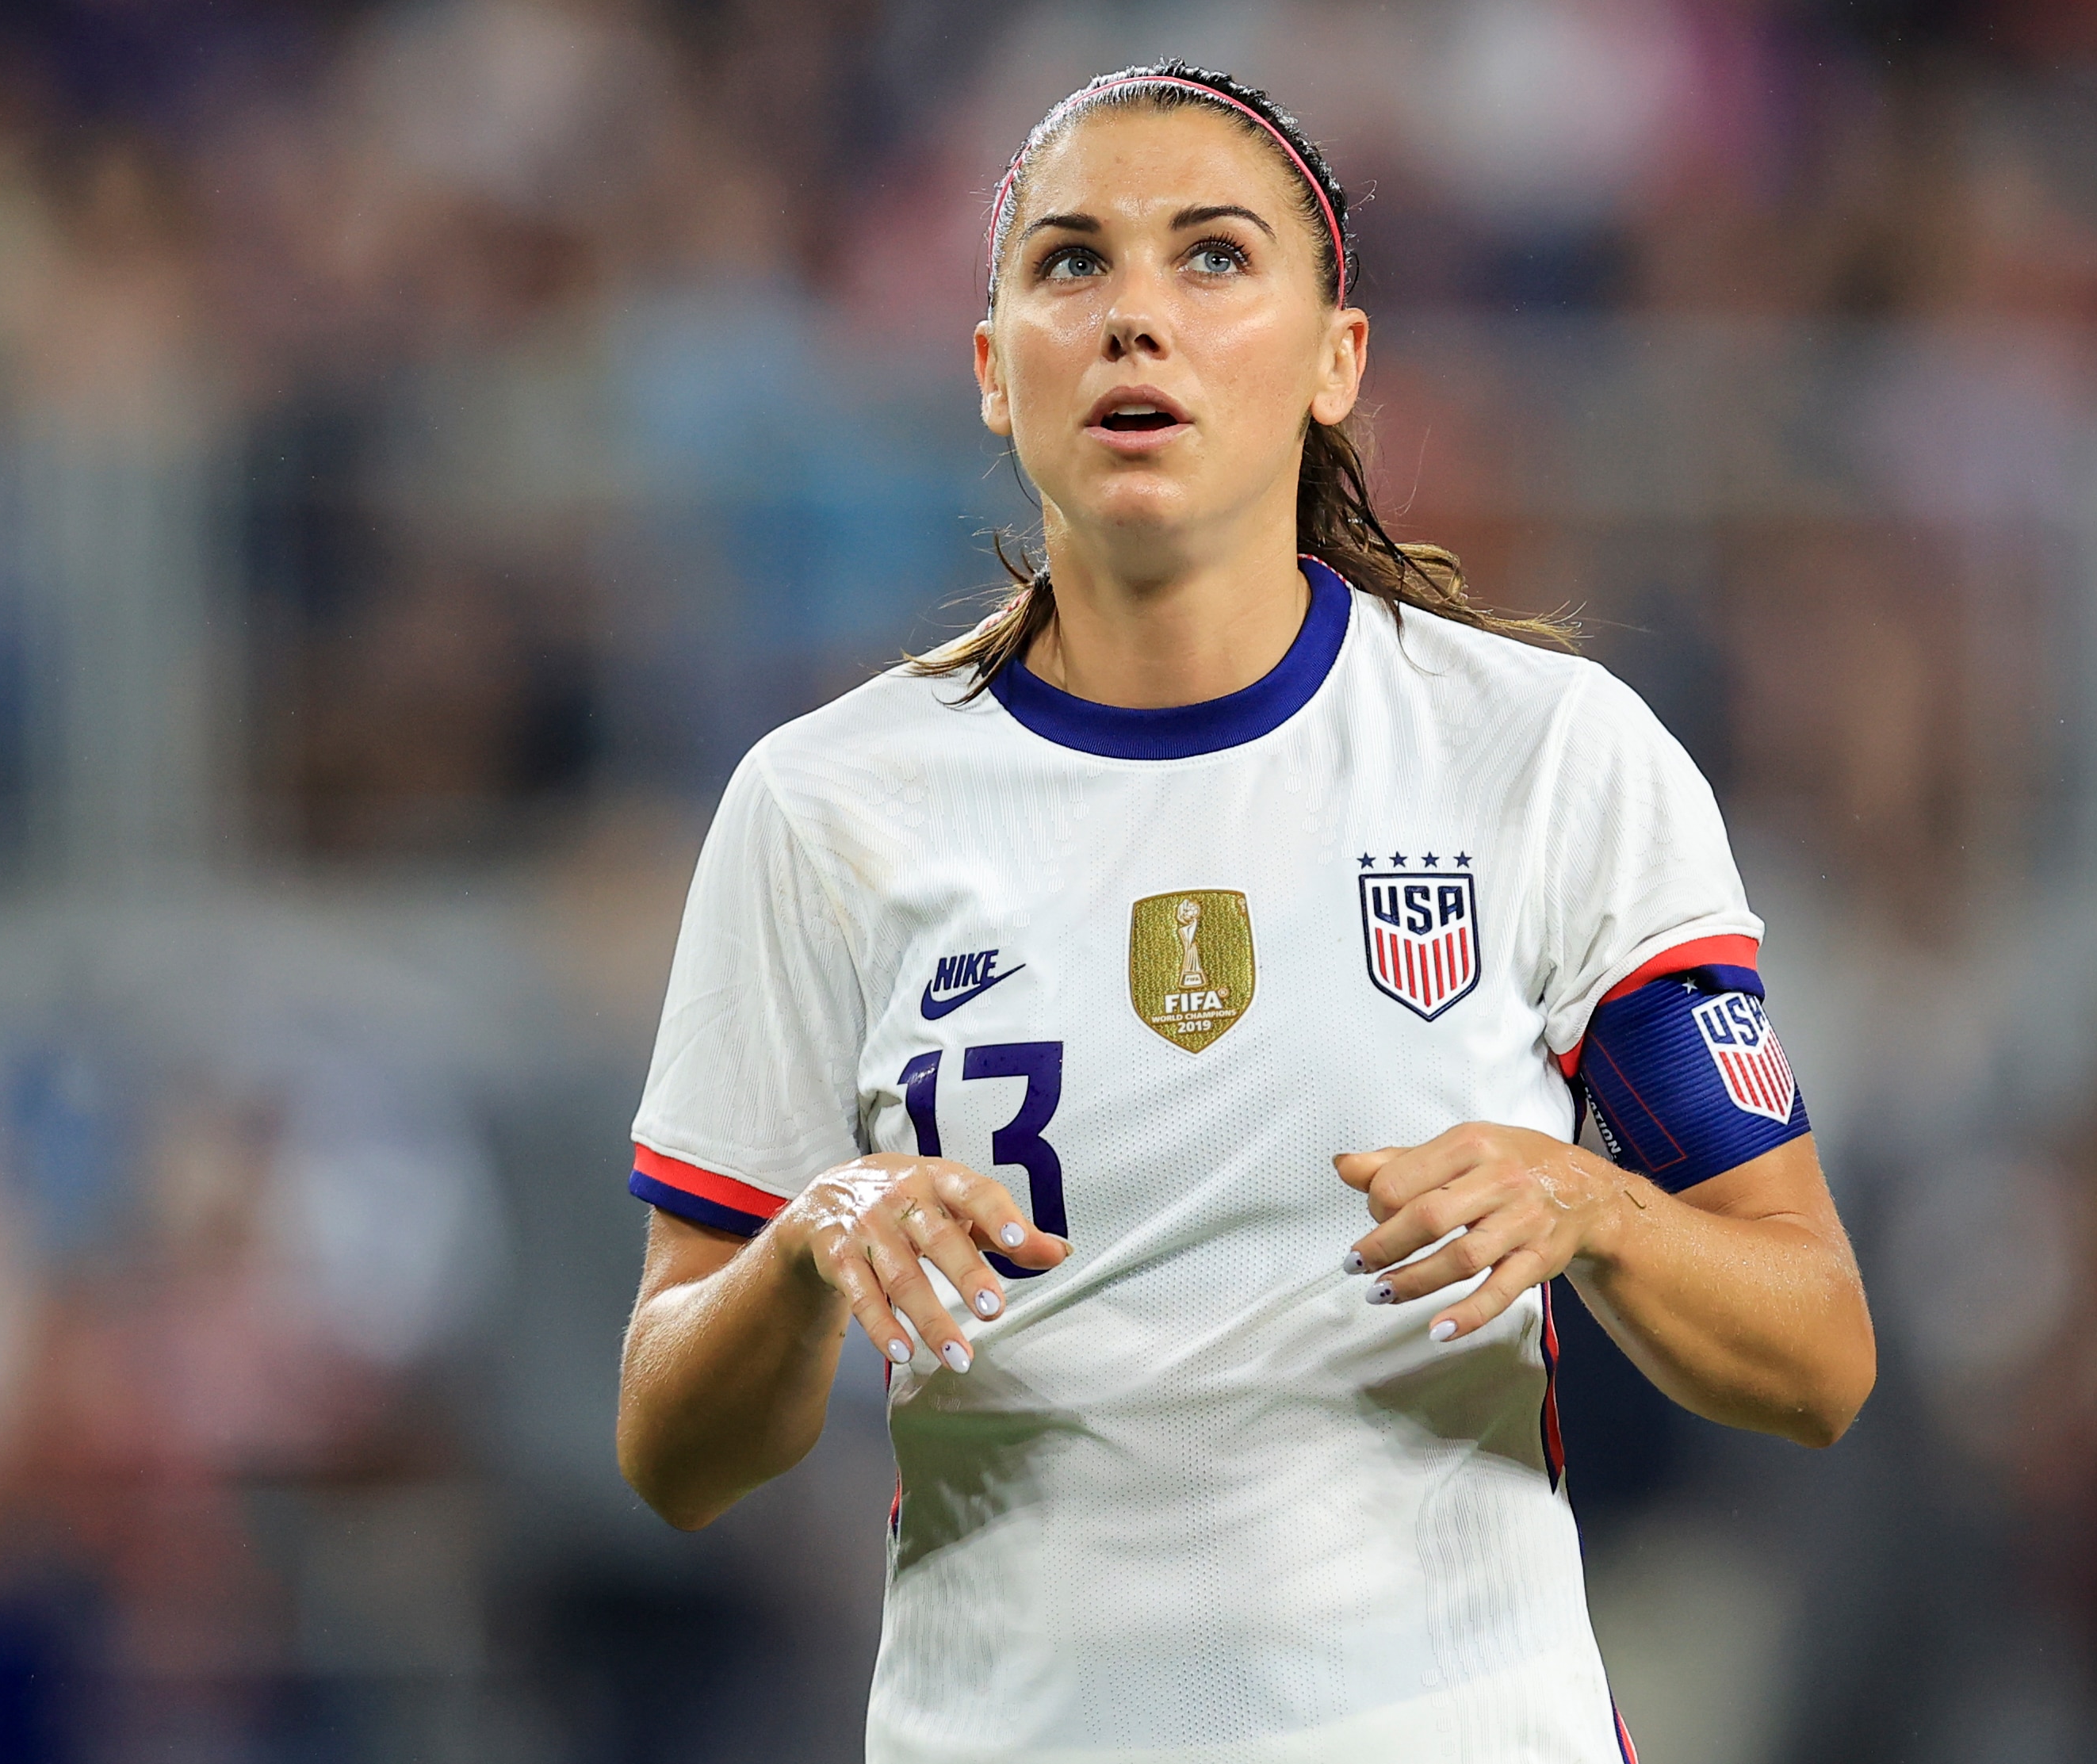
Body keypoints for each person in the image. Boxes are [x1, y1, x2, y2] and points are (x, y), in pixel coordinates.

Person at [616, 60, 1875, 1764]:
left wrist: (1597, 1207)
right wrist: (801, 1249)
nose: (1136, 315)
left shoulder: (1539, 754)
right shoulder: (824, 806)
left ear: (1334, 361)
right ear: (993, 370)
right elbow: (674, 1449)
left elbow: (1815, 1359)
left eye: (1212, 257)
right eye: (1070, 263)